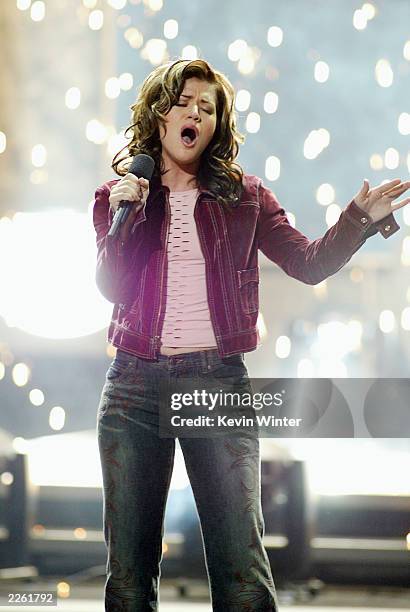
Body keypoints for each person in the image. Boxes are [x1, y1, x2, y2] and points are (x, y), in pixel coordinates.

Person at [92, 58, 410, 611]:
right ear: (158, 117)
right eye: (184, 102)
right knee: (127, 579)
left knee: (242, 574)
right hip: (133, 388)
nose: (195, 113)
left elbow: (309, 263)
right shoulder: (119, 196)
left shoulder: (245, 197)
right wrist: (128, 214)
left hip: (216, 384)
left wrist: (359, 217)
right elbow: (111, 284)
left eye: (207, 108)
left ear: (215, 127)